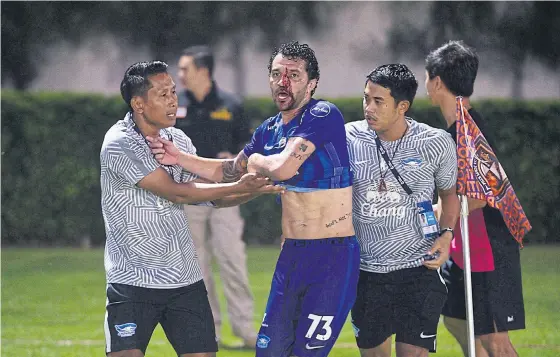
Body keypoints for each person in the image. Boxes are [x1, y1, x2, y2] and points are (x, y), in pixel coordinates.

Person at [147, 41, 360, 357]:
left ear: (312, 83)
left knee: (306, 353)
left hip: (332, 257)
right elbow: (230, 170)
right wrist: (180, 158)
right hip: (292, 255)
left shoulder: (322, 114)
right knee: (269, 352)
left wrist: (257, 160)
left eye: (294, 75)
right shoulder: (269, 130)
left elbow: (283, 167)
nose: (283, 82)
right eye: (276, 74)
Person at [100, 60, 281, 357]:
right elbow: (177, 193)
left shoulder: (176, 139)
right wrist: (240, 185)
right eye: (162, 95)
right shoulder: (120, 142)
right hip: (132, 282)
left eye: (173, 92)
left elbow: (211, 196)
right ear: (138, 104)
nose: (173, 101)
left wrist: (254, 187)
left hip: (184, 281)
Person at [345, 64, 460, 357]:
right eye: (366, 98)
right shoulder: (348, 138)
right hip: (366, 274)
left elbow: (449, 196)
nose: (368, 108)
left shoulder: (436, 143)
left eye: (378, 101)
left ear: (402, 107)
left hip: (418, 271)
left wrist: (446, 236)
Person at [425, 40, 525, 357]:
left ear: (437, 82)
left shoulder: (469, 132)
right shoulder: (458, 129)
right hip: (464, 248)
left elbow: (479, 198)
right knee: (456, 319)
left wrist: (442, 220)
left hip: (488, 250)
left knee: (494, 340)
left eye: (427, 78)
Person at [175, 45, 256, 348]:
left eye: (185, 69)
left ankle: (246, 331)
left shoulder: (231, 104)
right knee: (196, 264)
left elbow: (249, 144)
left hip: (226, 194)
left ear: (203, 71)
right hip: (189, 194)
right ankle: (211, 332)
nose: (180, 75)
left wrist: (236, 157)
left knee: (232, 258)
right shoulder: (175, 105)